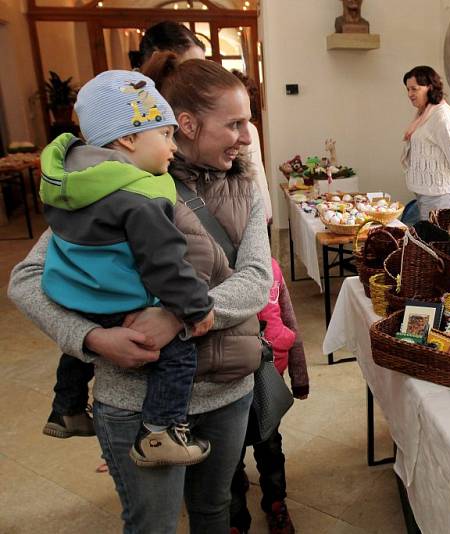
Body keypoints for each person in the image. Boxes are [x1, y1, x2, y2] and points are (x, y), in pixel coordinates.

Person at [8, 53, 271, 532]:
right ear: (187, 124)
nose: (248, 137)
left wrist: (177, 316)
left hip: (228, 391)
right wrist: (91, 338)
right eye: (235, 123)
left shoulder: (246, 189)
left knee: (216, 511)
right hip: (133, 399)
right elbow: (26, 280)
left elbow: (257, 278)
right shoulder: (112, 188)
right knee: (153, 524)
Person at [39, 70, 216, 468]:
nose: (174, 147)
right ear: (128, 138)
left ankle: (65, 407)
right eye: (166, 135)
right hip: (117, 299)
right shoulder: (140, 196)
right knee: (179, 356)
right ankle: (160, 432)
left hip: (74, 295)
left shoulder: (72, 178)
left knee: (76, 354)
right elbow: (165, 264)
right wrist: (196, 309)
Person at [137, 21, 273, 223]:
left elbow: (261, 212)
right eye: (188, 69)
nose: (199, 78)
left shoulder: (236, 161)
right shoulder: (142, 157)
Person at [230, 257, 309, 534]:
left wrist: (300, 377)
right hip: (225, 381)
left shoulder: (272, 267)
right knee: (229, 455)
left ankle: (276, 503)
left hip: (267, 376)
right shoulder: (206, 267)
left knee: (269, 445)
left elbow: (290, 321)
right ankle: (235, 520)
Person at [401, 65, 450, 223]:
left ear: (429, 87)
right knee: (423, 241)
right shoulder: (424, 113)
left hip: (438, 195)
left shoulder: (442, 118)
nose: (410, 94)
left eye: (414, 89)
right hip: (425, 193)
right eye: (408, 89)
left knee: (431, 244)